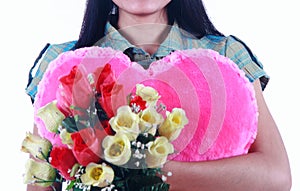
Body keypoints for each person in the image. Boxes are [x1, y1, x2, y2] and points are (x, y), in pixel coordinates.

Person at [25, 0, 292, 190]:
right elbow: (40, 181)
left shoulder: (225, 54)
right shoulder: (64, 62)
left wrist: (142, 171)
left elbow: (276, 175)